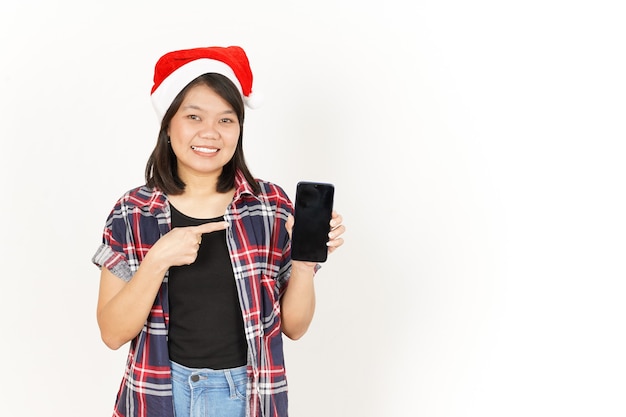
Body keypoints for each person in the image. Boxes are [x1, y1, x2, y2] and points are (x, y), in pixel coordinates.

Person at [92, 46, 345, 417]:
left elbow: (294, 327)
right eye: (194, 116)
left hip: (248, 396)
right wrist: (157, 260)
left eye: (226, 120)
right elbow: (113, 334)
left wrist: (305, 264)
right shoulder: (133, 212)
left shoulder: (270, 205)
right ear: (168, 125)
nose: (210, 133)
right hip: (160, 394)